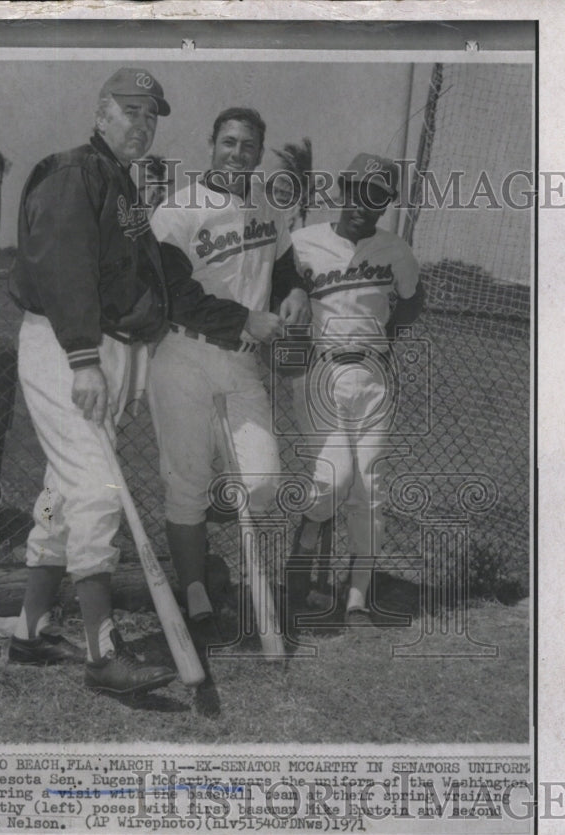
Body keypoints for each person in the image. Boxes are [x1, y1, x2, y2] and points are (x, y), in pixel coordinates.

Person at [6, 69, 247, 695]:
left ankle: (29, 632)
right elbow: (62, 270)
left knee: (65, 490)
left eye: (152, 116)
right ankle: (102, 653)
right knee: (98, 491)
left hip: (104, 347)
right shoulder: (73, 172)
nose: (142, 124)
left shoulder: (120, 181)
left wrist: (128, 362)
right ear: (102, 110)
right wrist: (85, 359)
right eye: (131, 111)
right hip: (67, 343)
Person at [148, 107, 311, 629]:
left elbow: (284, 271)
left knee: (262, 482)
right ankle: (195, 594)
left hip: (241, 364)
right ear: (211, 143)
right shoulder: (178, 210)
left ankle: (201, 525)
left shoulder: (270, 210)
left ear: (259, 154)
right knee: (187, 482)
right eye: (228, 142)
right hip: (184, 355)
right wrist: (245, 318)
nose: (236, 154)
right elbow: (174, 297)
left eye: (247, 146)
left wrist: (297, 293)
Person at [289, 152, 424, 622]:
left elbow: (409, 306)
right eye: (355, 191)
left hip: (374, 378)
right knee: (332, 478)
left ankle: (357, 595)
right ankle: (306, 540)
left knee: (370, 487)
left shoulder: (396, 251)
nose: (362, 204)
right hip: (320, 374)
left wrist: (378, 338)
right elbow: (281, 292)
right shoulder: (303, 242)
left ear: (385, 203)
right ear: (341, 191)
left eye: (376, 196)